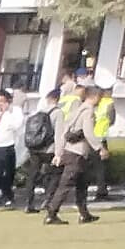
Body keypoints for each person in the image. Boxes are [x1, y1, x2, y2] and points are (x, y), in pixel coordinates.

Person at [44, 83, 100, 222]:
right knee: (66, 184)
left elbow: (64, 132)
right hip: (78, 153)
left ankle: (84, 213)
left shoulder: (77, 109)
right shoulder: (88, 112)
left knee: (82, 183)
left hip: (70, 151)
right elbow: (88, 132)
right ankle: (51, 213)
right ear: (95, 97)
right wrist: (99, 148)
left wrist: (59, 152)